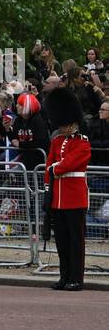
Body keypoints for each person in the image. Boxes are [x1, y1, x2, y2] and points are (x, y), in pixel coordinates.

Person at [44, 86, 92, 291]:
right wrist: (49, 190)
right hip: (58, 197)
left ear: (73, 122)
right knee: (62, 241)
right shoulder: (56, 142)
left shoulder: (83, 143)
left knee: (75, 241)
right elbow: (49, 166)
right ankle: (64, 276)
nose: (62, 127)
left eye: (65, 124)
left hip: (75, 197)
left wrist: (55, 168)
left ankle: (76, 278)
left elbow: (67, 165)